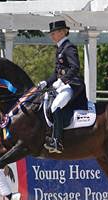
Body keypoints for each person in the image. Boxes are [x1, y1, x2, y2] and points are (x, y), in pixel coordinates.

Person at [37, 20, 88, 154]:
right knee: (46, 101)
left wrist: (62, 81)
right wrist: (46, 83)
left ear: (62, 32)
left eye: (54, 33)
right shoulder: (60, 48)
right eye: (51, 33)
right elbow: (56, 72)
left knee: (56, 106)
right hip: (63, 85)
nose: (52, 36)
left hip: (72, 85)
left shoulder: (69, 47)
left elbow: (75, 68)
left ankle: (57, 141)